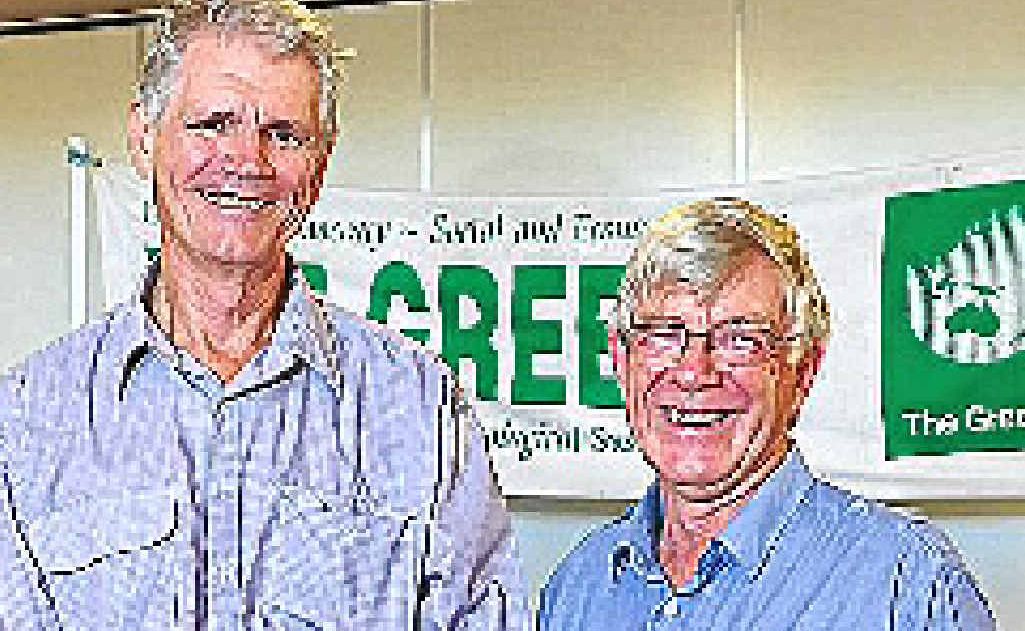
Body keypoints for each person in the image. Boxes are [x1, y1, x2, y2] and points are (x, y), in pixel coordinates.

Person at [0, 1, 525, 628]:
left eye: (284, 133)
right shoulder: (28, 419)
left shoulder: (418, 409)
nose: (247, 161)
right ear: (142, 139)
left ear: (319, 164)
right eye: (212, 124)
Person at [538, 199, 995, 630]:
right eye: (664, 334)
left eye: (739, 340)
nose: (694, 373)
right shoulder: (578, 588)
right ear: (622, 360)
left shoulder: (908, 585)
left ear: (802, 371)